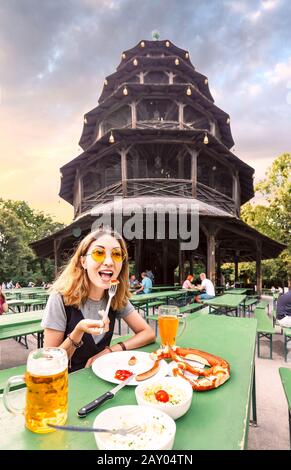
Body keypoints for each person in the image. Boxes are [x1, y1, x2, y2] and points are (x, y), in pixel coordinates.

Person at [41, 227, 155, 372]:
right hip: (68, 383)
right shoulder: (60, 298)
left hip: (103, 377)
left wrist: (112, 350)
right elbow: (49, 364)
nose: (109, 261)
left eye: (116, 254)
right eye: (99, 253)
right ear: (83, 262)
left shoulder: (115, 296)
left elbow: (148, 333)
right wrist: (78, 332)